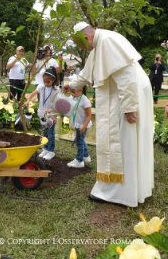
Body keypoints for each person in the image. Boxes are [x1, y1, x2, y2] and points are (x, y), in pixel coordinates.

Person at [63, 22, 153, 207]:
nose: (83, 48)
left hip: (128, 95)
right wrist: (71, 85)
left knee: (124, 142)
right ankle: (125, 190)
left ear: (86, 37)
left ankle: (120, 193)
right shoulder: (100, 43)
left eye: (81, 45)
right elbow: (87, 75)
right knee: (126, 141)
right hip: (125, 94)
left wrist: (129, 108)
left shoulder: (108, 41)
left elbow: (126, 76)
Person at [25, 67, 59, 160]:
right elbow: (32, 94)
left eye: (48, 82)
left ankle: (51, 151)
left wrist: (54, 114)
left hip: (51, 115)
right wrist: (28, 100)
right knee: (44, 132)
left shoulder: (56, 90)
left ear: (53, 80)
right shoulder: (41, 87)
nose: (46, 83)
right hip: (42, 113)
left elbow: (58, 104)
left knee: (51, 133)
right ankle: (45, 148)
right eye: (44, 81)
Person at [67, 86, 92, 168]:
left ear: (80, 90)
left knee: (79, 142)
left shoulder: (85, 100)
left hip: (82, 125)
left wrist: (84, 127)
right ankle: (86, 156)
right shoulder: (73, 97)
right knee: (81, 140)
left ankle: (79, 160)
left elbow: (89, 115)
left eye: (73, 92)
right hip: (77, 124)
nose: (72, 94)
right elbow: (66, 102)